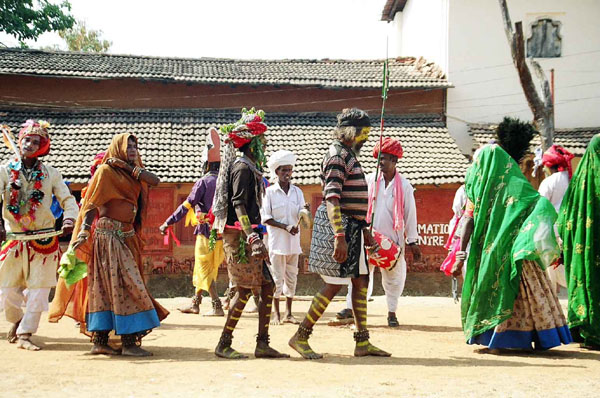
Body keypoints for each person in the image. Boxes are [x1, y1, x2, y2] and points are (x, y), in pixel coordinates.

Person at [452, 117, 572, 351]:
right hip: (517, 251)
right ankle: (531, 337)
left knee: (492, 290)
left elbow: (468, 219)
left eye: (478, 164)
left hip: (489, 252)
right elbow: (538, 205)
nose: (475, 169)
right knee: (527, 295)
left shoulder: (477, 187)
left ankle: (496, 340)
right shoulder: (516, 185)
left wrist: (459, 254)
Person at [288, 108, 391, 359]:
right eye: (364, 133)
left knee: (360, 282)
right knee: (333, 283)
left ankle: (362, 341)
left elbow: (349, 199)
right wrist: (339, 236)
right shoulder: (337, 156)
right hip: (342, 230)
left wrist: (364, 229)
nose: (366, 139)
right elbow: (333, 198)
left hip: (354, 230)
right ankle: (300, 336)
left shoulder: (347, 155)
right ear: (351, 132)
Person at [69, 133, 169, 356]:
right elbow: (91, 204)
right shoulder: (105, 172)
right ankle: (127, 343)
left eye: (135, 145)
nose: (133, 149)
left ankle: (102, 340)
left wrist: (127, 165)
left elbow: (155, 180)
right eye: (128, 146)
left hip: (126, 235)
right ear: (117, 148)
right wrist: (84, 230)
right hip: (108, 236)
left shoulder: (132, 173)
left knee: (112, 287)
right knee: (125, 285)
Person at [211, 108, 289, 359]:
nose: (265, 144)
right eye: (262, 140)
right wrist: (252, 237)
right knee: (245, 289)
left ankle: (262, 343)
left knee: (267, 286)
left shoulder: (249, 167)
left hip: (250, 236)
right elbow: (238, 204)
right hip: (241, 238)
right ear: (253, 143)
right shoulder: (242, 168)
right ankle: (224, 343)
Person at [0, 120, 78, 351]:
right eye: (26, 140)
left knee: (39, 289)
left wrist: (69, 219)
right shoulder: (5, 171)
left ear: (42, 147)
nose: (30, 144)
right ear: (20, 141)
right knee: (6, 290)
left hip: (43, 239)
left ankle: (26, 332)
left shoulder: (51, 174)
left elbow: (67, 200)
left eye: (36, 142)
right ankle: (16, 320)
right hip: (14, 239)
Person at [338, 137, 421, 327]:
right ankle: (351, 309)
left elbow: (410, 215)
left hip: (392, 241)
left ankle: (392, 313)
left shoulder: (405, 186)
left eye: (384, 159)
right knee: (360, 275)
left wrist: (413, 242)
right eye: (379, 158)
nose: (380, 163)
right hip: (367, 237)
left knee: (393, 279)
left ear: (394, 160)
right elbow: (358, 205)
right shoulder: (368, 181)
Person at [159, 127, 224, 317]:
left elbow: (186, 206)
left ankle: (217, 305)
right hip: (222, 233)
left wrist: (167, 222)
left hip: (205, 232)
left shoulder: (203, 182)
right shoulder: (225, 181)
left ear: (205, 164)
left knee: (204, 267)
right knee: (206, 266)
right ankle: (195, 303)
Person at [49, 152, 104, 334]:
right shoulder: (88, 189)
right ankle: (85, 314)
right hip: (88, 238)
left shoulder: (111, 187)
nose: (99, 172)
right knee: (85, 278)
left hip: (106, 240)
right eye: (96, 168)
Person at [557, 133, 600, 350]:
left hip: (581, 250)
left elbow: (564, 217)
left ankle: (583, 330)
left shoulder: (576, 186)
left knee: (583, 282)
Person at [261, 149, 306, 325]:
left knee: (292, 277)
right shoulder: (270, 193)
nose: (287, 173)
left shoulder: (297, 192)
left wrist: (305, 212)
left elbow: (302, 213)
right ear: (276, 172)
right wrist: (285, 227)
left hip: (294, 243)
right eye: (283, 170)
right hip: (277, 243)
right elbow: (266, 218)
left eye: (289, 170)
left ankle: (289, 313)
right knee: (276, 278)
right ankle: (276, 314)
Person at [538, 144, 574, 293]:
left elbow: (540, 207)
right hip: (571, 227)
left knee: (551, 267)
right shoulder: (573, 178)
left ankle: (553, 296)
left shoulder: (549, 182)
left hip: (551, 229)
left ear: (548, 166)